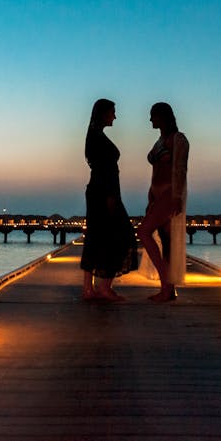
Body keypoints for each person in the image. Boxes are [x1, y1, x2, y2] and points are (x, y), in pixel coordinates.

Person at [81, 98, 138, 301]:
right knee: (121, 236)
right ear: (103, 113)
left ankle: (91, 288)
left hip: (102, 191)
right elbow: (104, 171)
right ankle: (101, 287)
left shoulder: (96, 135)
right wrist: (111, 197)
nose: (115, 116)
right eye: (113, 111)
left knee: (98, 236)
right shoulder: (96, 137)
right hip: (104, 192)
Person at [135, 102, 189, 302]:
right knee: (166, 241)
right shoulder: (160, 141)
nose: (150, 120)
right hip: (156, 193)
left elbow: (180, 169)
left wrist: (177, 198)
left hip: (170, 193)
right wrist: (151, 195)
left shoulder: (178, 139)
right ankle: (168, 289)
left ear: (164, 117)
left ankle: (166, 281)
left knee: (143, 231)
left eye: (153, 116)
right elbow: (155, 169)